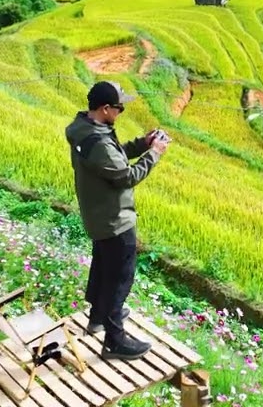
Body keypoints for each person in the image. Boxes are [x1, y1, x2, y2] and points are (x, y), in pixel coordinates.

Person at [65, 80, 170, 360]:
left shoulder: (85, 128)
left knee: (103, 268)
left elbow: (112, 158)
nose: (122, 111)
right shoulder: (97, 141)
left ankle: (99, 316)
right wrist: (154, 154)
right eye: (119, 107)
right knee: (119, 279)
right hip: (115, 219)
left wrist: (141, 144)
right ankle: (114, 339)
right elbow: (126, 176)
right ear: (105, 109)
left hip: (99, 215)